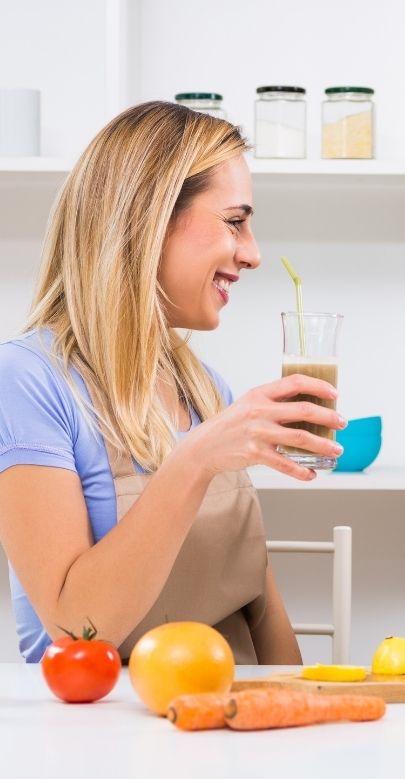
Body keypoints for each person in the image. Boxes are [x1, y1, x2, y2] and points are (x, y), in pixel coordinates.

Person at [0, 101, 345, 663]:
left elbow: (260, 609)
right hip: (104, 736)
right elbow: (76, 632)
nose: (254, 254)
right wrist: (194, 460)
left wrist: (302, 717)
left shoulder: (206, 390)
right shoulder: (29, 380)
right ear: (148, 218)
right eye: (235, 222)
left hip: (230, 723)